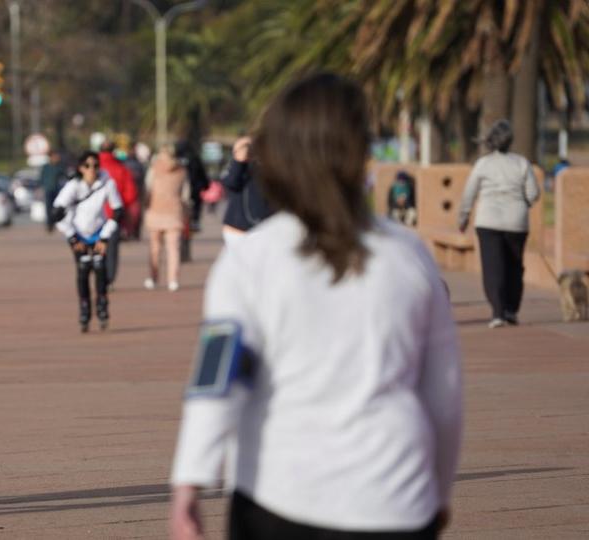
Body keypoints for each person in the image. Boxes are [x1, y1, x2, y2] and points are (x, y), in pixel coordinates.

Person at [170, 73, 462, 540]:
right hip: (394, 497)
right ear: (360, 153)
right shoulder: (409, 255)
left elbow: (218, 379)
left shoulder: (251, 259)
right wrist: (440, 492)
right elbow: (443, 396)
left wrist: (189, 482)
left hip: (278, 494)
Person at [458, 119, 540, 329]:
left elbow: (469, 193)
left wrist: (464, 217)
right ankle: (511, 310)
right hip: (517, 222)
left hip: (488, 222)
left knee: (493, 267)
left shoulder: (483, 164)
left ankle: (497, 313)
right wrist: (521, 203)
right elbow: (533, 194)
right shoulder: (521, 163)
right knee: (514, 266)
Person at [52, 151, 124, 333]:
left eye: (95, 165)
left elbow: (117, 210)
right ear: (80, 168)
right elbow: (57, 213)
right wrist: (72, 237)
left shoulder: (107, 183)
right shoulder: (73, 186)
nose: (92, 170)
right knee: (83, 270)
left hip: (99, 232)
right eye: (87, 166)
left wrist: (105, 237)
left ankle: (102, 304)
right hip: (78, 233)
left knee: (100, 269)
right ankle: (84, 308)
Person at [142, 146, 189, 292]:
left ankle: (153, 278)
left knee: (155, 248)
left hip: (155, 211)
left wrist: (145, 205)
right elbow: (186, 195)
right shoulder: (182, 171)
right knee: (173, 248)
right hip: (175, 212)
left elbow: (147, 190)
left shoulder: (154, 169)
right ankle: (173, 280)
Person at [220, 136, 274, 247]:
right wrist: (239, 162)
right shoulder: (234, 166)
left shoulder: (270, 167)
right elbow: (230, 183)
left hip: (264, 228)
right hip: (236, 229)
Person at [98, 141, 138, 286]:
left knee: (96, 248)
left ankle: (99, 276)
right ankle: (110, 278)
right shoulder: (121, 169)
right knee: (112, 248)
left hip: (94, 215)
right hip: (114, 214)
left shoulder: (92, 168)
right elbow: (131, 193)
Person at [175, 141, 210, 232]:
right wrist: (206, 185)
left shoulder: (174, 159)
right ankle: (195, 221)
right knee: (196, 205)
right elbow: (202, 174)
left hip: (178, 190)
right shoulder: (194, 158)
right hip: (194, 189)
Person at [40, 149, 68, 233]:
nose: (57, 158)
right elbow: (41, 178)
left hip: (57, 190)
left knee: (56, 207)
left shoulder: (59, 167)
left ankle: (57, 223)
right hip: (48, 190)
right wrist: (41, 187)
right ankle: (49, 224)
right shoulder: (46, 167)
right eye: (55, 156)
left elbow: (65, 176)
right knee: (48, 208)